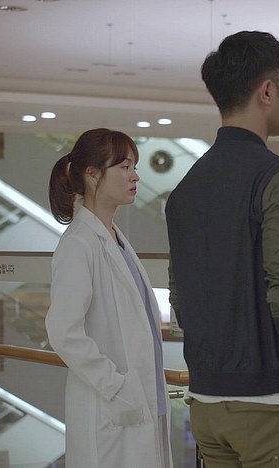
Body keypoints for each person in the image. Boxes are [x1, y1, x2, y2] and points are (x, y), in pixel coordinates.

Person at [165, 31, 279, 467]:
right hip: (270, 404)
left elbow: (180, 296)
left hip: (205, 404)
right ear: (267, 91)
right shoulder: (278, 177)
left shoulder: (185, 188)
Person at [45, 128, 172, 468]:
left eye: (135, 167)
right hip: (111, 406)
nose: (135, 177)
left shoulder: (114, 238)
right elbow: (63, 332)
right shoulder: (79, 243)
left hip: (139, 402)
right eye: (125, 167)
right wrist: (116, 387)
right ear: (92, 174)